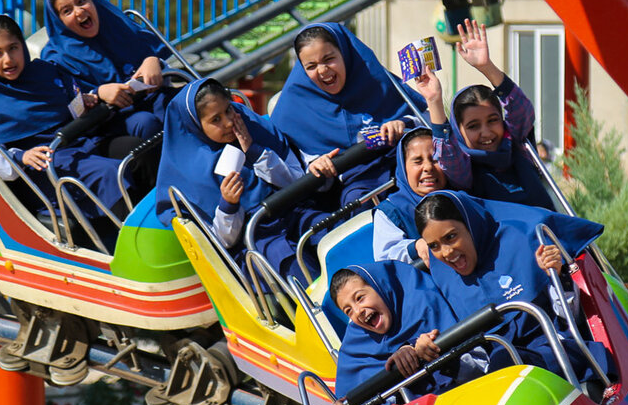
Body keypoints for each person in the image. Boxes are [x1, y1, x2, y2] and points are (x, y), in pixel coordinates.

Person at [0, 14, 130, 246]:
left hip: (78, 144)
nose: (8, 60)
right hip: (44, 166)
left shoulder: (43, 74)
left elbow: (69, 107)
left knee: (133, 148)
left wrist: (84, 102)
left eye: (13, 48)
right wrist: (21, 156)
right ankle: (131, 244)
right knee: (109, 172)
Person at [414, 191, 607, 381]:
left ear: (471, 226)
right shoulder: (444, 281)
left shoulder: (524, 243)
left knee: (504, 362)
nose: (446, 253)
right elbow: (478, 364)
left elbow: (571, 317)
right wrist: (435, 351)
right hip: (508, 376)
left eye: (451, 237)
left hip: (559, 352)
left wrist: (556, 274)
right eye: (434, 246)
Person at [156, 78, 328, 284]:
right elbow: (223, 241)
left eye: (229, 110)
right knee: (293, 265)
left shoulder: (255, 129)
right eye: (216, 119)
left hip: (293, 212)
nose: (229, 122)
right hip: (257, 240)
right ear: (196, 126)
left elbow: (296, 182)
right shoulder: (191, 174)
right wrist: (229, 203)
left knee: (327, 231)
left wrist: (254, 151)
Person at [270, 22, 427, 207]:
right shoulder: (293, 110)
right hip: (357, 190)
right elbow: (291, 167)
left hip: (406, 168)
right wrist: (315, 165)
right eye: (311, 66)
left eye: (329, 59)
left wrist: (403, 123)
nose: (323, 70)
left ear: (345, 53)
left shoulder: (377, 81)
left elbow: (427, 121)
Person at [327, 262, 486, 405]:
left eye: (360, 298)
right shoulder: (357, 346)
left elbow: (482, 365)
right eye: (348, 311)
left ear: (381, 287)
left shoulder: (422, 301)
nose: (358, 311)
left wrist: (431, 352)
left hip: (473, 399)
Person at [41, 0, 175, 139]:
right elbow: (68, 106)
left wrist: (152, 60)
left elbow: (154, 54)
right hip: (108, 120)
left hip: (151, 97)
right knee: (145, 123)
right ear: (59, 21)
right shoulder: (56, 58)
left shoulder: (117, 25)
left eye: (82, 1)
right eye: (67, 11)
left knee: (184, 102)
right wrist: (98, 93)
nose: (79, 12)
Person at [446, 19, 554, 210]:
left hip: (545, 227)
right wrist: (433, 100)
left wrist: (487, 67)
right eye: (473, 126)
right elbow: (448, 157)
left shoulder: (517, 148)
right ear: (458, 131)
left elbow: (521, 110)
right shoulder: (463, 170)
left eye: (493, 120)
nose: (486, 132)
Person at [371, 67, 473, 262]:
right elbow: (386, 256)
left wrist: (434, 100)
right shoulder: (392, 211)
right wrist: (415, 247)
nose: (428, 167)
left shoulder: (460, 195)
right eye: (417, 161)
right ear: (403, 169)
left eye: (435, 159)